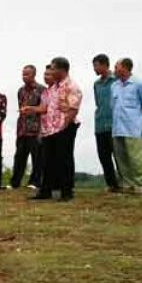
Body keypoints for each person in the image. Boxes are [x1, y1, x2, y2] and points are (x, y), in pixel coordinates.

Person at [111, 58, 142, 194]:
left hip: (133, 128)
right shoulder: (114, 86)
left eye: (116, 67)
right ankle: (128, 184)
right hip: (117, 127)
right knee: (121, 158)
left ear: (125, 68)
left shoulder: (140, 84)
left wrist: (138, 119)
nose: (114, 69)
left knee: (136, 158)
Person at [21, 65, 60, 200]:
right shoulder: (46, 93)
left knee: (57, 158)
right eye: (45, 74)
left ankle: (60, 187)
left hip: (58, 128)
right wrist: (31, 109)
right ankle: (46, 189)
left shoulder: (60, 90)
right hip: (45, 128)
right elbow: (43, 109)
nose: (46, 77)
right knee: (46, 160)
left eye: (49, 74)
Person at [51, 57, 83, 201]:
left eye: (53, 68)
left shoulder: (71, 86)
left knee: (65, 158)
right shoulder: (55, 87)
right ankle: (59, 189)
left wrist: (63, 126)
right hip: (54, 128)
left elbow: (73, 109)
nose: (51, 71)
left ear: (61, 69)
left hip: (66, 126)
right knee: (57, 158)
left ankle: (67, 192)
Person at [10, 64, 45, 189]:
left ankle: (35, 182)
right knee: (19, 157)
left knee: (37, 158)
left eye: (27, 74)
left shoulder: (42, 89)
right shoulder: (21, 90)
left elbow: (44, 110)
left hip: (35, 129)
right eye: (23, 74)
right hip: (22, 129)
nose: (24, 76)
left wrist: (41, 129)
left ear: (34, 75)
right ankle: (15, 182)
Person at [92, 54, 119, 191]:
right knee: (104, 156)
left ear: (104, 65)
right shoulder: (96, 84)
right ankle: (112, 185)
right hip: (100, 124)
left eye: (96, 65)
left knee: (119, 155)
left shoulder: (117, 80)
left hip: (115, 124)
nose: (94, 69)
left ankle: (125, 183)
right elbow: (98, 102)